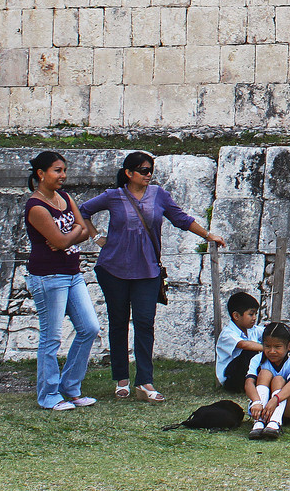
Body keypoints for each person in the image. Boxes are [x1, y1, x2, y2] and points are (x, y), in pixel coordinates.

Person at [79, 151, 224, 402]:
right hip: (114, 268)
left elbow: (181, 218)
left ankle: (145, 381)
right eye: (144, 170)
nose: (148, 175)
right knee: (118, 322)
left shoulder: (159, 195)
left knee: (145, 322)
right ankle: (121, 379)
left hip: (147, 270)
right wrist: (96, 237)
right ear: (129, 173)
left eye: (150, 170)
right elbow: (83, 211)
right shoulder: (114, 196)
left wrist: (207, 235)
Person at [24, 151, 101, 411]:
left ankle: (71, 387)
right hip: (48, 277)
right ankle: (48, 396)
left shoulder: (65, 197)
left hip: (72, 273)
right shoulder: (36, 207)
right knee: (51, 338)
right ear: (41, 174)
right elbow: (61, 240)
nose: (63, 175)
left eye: (64, 170)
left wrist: (69, 234)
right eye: (57, 170)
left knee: (89, 328)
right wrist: (70, 234)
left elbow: (82, 230)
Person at [244, 322, 290, 440]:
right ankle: (259, 422)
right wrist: (256, 401)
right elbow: (249, 383)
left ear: (289, 346)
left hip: (289, 409)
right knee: (264, 373)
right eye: (267, 346)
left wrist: (275, 399)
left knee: (278, 379)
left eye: (277, 347)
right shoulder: (257, 359)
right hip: (263, 406)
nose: (272, 351)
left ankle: (275, 422)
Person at [217, 291, 265, 392]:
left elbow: (268, 332)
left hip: (248, 373)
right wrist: (269, 348)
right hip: (232, 378)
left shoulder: (253, 330)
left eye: (255, 314)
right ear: (236, 316)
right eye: (251, 314)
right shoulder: (227, 334)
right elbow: (243, 344)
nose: (255, 318)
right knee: (250, 351)